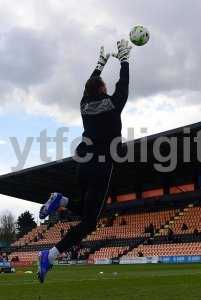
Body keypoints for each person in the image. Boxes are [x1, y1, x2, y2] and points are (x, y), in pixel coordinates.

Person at [37, 39, 132, 283]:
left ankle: (61, 200)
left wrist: (100, 64)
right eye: (104, 85)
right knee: (90, 221)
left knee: (83, 207)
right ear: (102, 89)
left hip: (83, 164)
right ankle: (51, 255)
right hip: (102, 165)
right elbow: (124, 87)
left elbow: (91, 87)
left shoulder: (84, 106)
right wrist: (124, 60)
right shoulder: (111, 104)